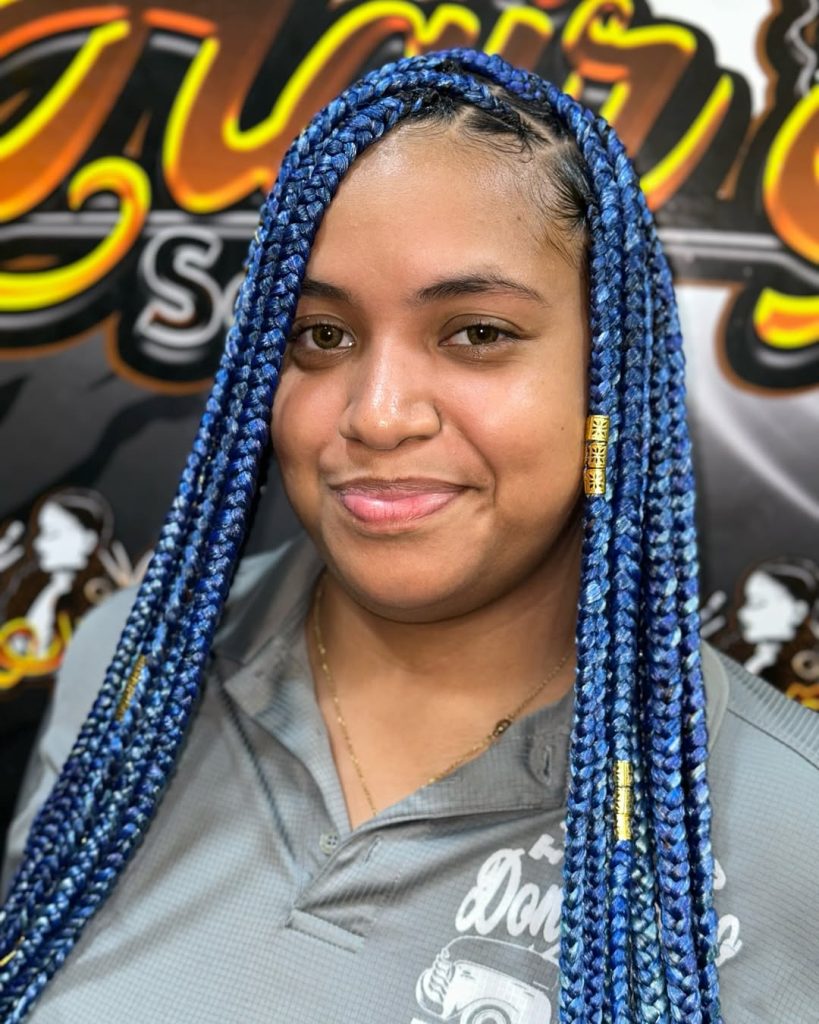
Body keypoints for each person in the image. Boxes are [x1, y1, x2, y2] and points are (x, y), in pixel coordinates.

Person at [1, 49, 818, 1024]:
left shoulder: (794, 829)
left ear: (611, 379)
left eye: (476, 333)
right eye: (322, 335)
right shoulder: (128, 668)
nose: (378, 414)